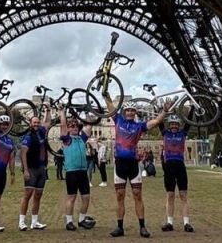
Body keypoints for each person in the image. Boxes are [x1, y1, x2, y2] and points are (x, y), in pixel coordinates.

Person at [106, 98, 169, 238]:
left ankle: (142, 227)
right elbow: (110, 107)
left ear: (135, 113)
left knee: (138, 196)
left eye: (132, 111)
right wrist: (106, 94)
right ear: (124, 112)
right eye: (127, 110)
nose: (129, 113)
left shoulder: (139, 126)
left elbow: (156, 122)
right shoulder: (118, 121)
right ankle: (119, 227)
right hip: (120, 165)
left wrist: (164, 111)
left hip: (133, 165)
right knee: (120, 197)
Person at [58, 108, 96, 231]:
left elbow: (89, 125)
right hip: (71, 172)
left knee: (86, 197)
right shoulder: (66, 139)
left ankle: (81, 220)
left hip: (82, 172)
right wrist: (62, 112)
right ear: (68, 128)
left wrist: (86, 111)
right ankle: (69, 221)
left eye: (76, 126)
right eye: (72, 126)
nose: (75, 128)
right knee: (71, 197)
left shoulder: (81, 138)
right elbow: (62, 125)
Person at [159, 114, 194, 233]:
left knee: (183, 195)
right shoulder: (165, 133)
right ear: (169, 125)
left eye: (176, 124)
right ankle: (169, 222)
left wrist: (193, 108)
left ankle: (186, 223)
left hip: (180, 166)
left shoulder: (182, 134)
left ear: (179, 125)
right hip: (169, 167)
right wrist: (161, 110)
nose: (174, 126)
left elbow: (188, 122)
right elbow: (159, 122)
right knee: (170, 195)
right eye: (172, 124)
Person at [18, 106, 51, 231]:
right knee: (27, 195)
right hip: (31, 168)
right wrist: (25, 170)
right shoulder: (28, 136)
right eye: (34, 122)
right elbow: (23, 153)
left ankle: (34, 222)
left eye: (38, 122)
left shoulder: (41, 132)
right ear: (31, 124)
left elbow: (47, 122)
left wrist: (48, 111)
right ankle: (21, 222)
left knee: (38, 195)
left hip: (41, 167)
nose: (37, 124)